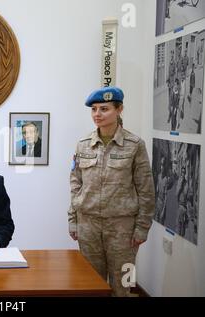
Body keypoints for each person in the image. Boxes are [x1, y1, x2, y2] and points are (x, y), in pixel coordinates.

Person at [68, 86, 155, 297]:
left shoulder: (134, 145)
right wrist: (73, 220)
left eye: (104, 109)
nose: (97, 114)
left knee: (123, 285)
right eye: (94, 109)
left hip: (122, 228)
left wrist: (142, 227)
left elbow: (146, 189)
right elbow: (75, 184)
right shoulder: (83, 145)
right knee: (91, 285)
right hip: (88, 226)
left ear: (119, 109)